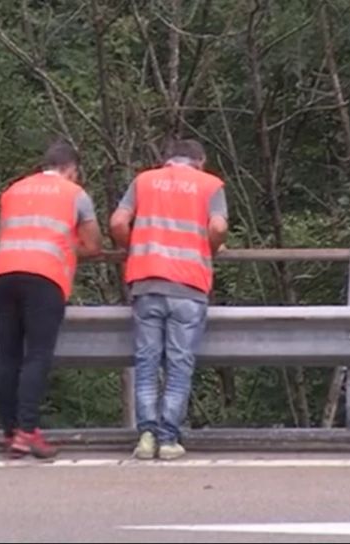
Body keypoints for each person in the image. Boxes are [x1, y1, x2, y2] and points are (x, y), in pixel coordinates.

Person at [109, 139, 228, 461]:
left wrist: (133, 246)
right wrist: (210, 248)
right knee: (179, 363)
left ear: (166, 160)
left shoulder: (143, 181)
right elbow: (218, 226)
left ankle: (146, 436)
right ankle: (169, 439)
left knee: (147, 362)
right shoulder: (210, 185)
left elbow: (118, 222)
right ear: (199, 162)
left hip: (146, 280)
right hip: (189, 284)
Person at [0, 141, 102, 459]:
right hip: (44, 277)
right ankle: (28, 432)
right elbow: (93, 244)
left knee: (8, 355)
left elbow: (6, 234)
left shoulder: (14, 190)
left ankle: (10, 431)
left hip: (4, 274)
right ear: (71, 169)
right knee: (37, 356)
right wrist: (67, 246)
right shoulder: (74, 194)